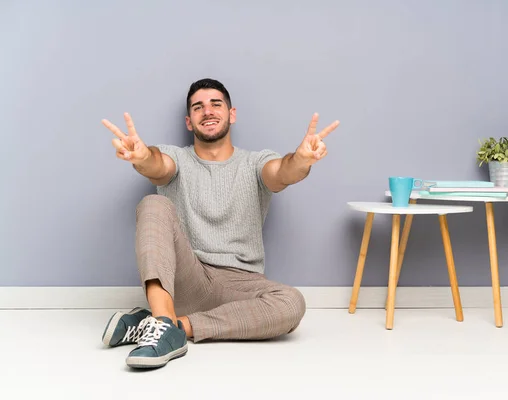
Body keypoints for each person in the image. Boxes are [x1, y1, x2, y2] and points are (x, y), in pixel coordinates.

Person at [99, 78, 340, 369]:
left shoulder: (255, 162)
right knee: (153, 204)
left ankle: (174, 327)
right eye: (198, 107)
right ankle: (162, 321)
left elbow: (281, 173)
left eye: (216, 104)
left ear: (231, 113)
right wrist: (141, 157)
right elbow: (156, 164)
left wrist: (301, 160)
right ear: (189, 122)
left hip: (242, 286)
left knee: (292, 304)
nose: (208, 111)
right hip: (190, 279)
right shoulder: (176, 158)